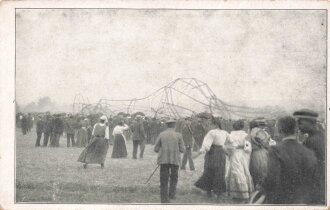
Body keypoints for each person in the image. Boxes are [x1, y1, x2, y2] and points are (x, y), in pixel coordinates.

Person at [262, 116, 318, 204]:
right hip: (303, 201)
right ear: (295, 130)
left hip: (282, 200)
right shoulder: (308, 152)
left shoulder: (275, 150)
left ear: (280, 130)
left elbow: (272, 179)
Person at [293, 109, 325, 204]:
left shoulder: (311, 141)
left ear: (310, 123)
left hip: (315, 184)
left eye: (301, 123)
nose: (298, 127)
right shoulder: (321, 136)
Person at [194, 116, 229, 200]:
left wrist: (199, 153)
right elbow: (231, 142)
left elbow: (207, 146)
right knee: (220, 172)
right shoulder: (225, 132)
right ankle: (219, 193)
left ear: (214, 124)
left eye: (210, 123)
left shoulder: (211, 132)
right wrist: (227, 150)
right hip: (221, 154)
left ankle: (209, 191)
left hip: (212, 153)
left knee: (209, 171)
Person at [154, 118, 185, 203]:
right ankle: (172, 195)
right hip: (175, 160)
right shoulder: (179, 135)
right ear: (174, 126)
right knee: (174, 178)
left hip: (163, 160)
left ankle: (164, 198)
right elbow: (183, 150)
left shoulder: (161, 134)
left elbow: (156, 149)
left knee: (163, 179)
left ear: (167, 125)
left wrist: (162, 149)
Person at [225, 120, 253, 202]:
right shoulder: (245, 135)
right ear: (242, 126)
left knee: (236, 172)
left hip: (234, 154)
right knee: (242, 171)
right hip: (242, 154)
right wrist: (241, 146)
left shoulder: (230, 135)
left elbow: (226, 146)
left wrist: (230, 151)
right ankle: (243, 192)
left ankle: (237, 193)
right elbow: (248, 147)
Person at [247, 120, 271, 190]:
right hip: (262, 151)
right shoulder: (261, 131)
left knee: (255, 170)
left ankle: (256, 187)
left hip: (254, 152)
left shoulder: (251, 131)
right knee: (263, 169)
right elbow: (265, 141)